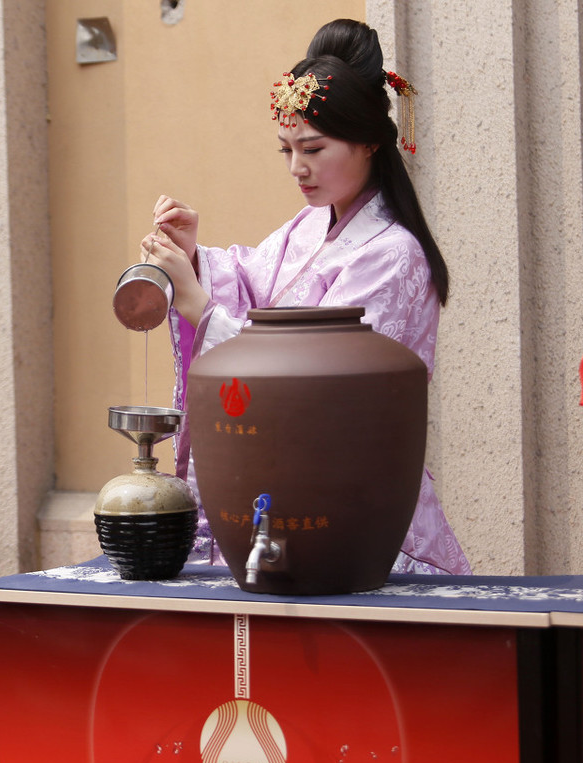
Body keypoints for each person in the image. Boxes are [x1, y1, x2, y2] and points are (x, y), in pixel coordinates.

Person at [142, 19, 471, 575]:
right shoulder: (306, 227)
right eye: (287, 149)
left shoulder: (392, 255)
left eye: (313, 148)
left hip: (360, 505)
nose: (298, 168)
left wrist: (202, 307)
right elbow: (249, 281)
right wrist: (198, 256)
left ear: (369, 140)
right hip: (291, 492)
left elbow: (319, 382)